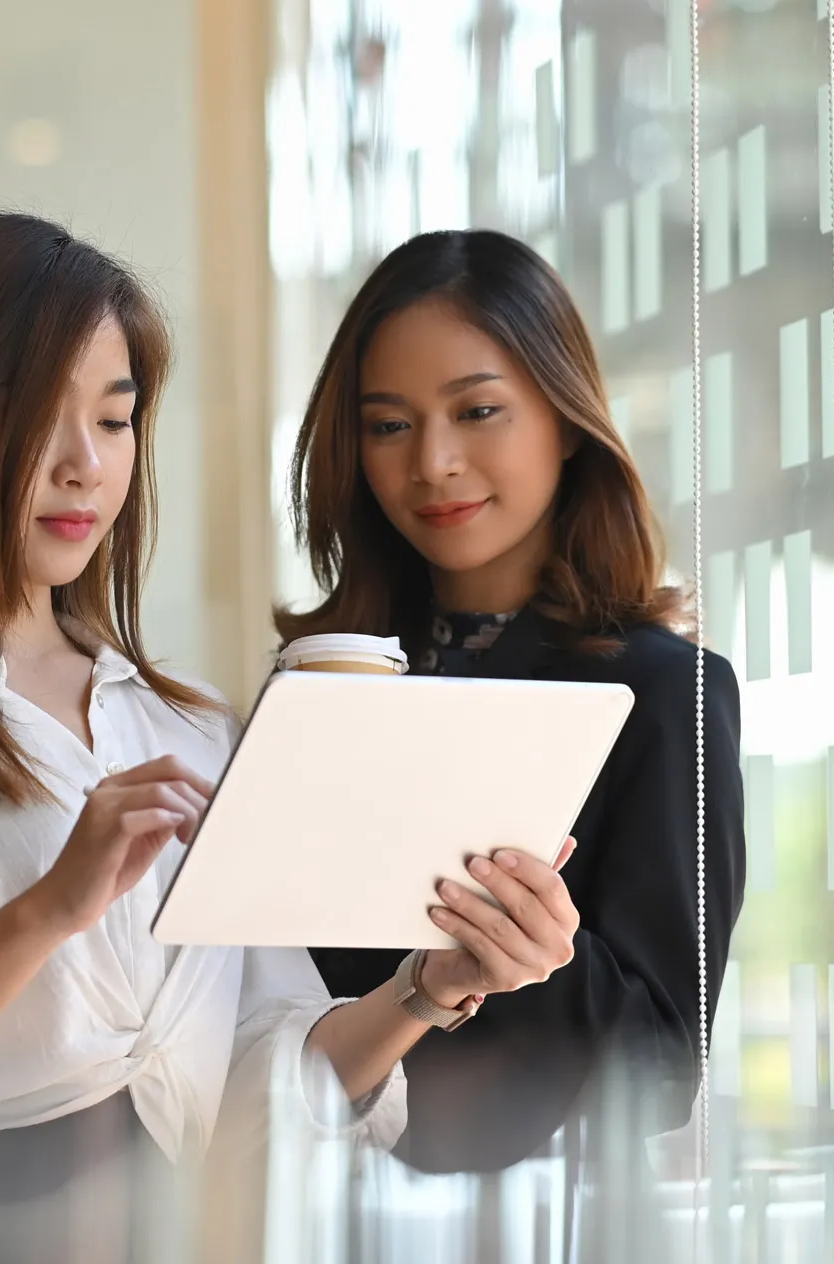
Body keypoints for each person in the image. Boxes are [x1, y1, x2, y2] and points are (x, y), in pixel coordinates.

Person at [0, 213, 583, 1261]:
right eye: (31, 417)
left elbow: (265, 1084)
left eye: (114, 421)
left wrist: (424, 989)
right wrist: (49, 909)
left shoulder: (190, 722)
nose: (82, 465)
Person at [279, 229, 747, 1185]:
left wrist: (541, 951)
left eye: (478, 410)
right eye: (389, 425)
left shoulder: (662, 692)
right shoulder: (324, 690)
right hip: (300, 1196)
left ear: (565, 418)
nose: (434, 463)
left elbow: (661, 1070)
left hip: (525, 1215)